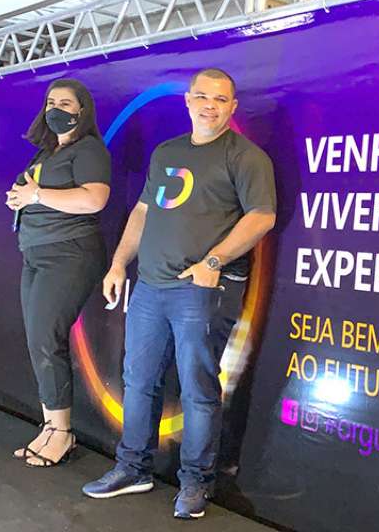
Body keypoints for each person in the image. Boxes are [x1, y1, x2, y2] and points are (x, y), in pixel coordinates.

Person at [81, 68, 276, 520]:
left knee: (198, 390)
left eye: (221, 99)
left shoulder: (246, 157)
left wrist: (213, 263)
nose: (210, 106)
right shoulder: (167, 152)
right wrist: (118, 263)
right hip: (150, 287)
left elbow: (261, 217)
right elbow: (142, 211)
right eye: (203, 97)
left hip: (202, 291)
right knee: (138, 381)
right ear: (188, 101)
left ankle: (195, 483)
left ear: (232, 107)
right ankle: (133, 468)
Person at [5, 78, 111, 467]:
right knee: (39, 341)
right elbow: (36, 195)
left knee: (47, 340)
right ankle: (50, 426)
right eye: (51, 102)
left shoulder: (89, 149)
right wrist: (20, 198)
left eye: (66, 103)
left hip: (68, 254)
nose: (56, 109)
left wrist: (35, 195)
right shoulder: (48, 152)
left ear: (82, 110)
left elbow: (94, 199)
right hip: (36, 253)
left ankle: (62, 433)